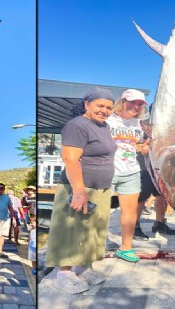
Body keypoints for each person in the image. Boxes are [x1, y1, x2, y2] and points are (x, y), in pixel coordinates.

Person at [46, 87, 117, 294]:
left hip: (101, 188)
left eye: (109, 107)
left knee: (92, 230)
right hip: (79, 187)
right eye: (100, 106)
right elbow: (70, 158)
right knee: (70, 230)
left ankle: (83, 267)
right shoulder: (77, 125)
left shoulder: (104, 127)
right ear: (87, 104)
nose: (104, 110)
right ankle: (64, 273)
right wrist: (78, 191)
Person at [105, 89, 149, 262]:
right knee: (100, 213)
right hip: (107, 171)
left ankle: (126, 247)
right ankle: (93, 245)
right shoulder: (108, 120)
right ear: (122, 102)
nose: (136, 107)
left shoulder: (141, 125)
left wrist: (144, 148)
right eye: (132, 102)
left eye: (140, 104)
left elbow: (136, 145)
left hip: (131, 172)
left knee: (129, 212)